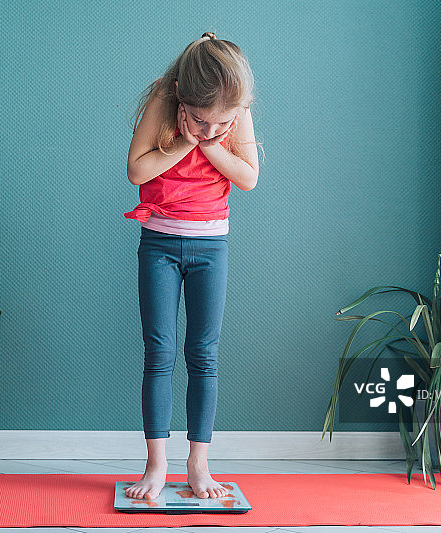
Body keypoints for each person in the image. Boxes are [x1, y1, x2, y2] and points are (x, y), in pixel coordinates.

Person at [123, 32, 259, 501]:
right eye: (200, 119)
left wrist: (212, 144)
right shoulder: (165, 98)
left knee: (204, 354)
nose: (211, 127)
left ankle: (198, 463)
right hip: (159, 243)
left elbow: (249, 178)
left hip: (210, 247)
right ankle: (156, 464)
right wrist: (187, 140)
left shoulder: (235, 110)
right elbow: (137, 171)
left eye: (222, 122)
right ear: (182, 97)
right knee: (159, 352)